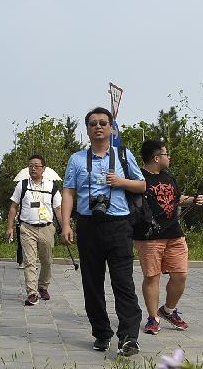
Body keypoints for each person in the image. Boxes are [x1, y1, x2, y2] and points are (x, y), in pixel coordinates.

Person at [60, 107, 146, 356]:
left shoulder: (123, 155)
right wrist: (66, 224)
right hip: (88, 225)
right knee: (92, 284)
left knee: (124, 284)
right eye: (93, 123)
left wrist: (121, 182)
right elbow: (68, 192)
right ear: (87, 129)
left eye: (103, 123)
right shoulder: (77, 159)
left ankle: (129, 337)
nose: (98, 127)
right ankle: (101, 332)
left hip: (119, 225)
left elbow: (141, 185)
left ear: (111, 128)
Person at [135, 139, 203, 335]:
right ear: (156, 158)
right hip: (149, 236)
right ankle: (152, 317)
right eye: (166, 154)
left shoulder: (169, 177)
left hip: (174, 234)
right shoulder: (138, 178)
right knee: (152, 277)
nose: (169, 157)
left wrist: (193, 200)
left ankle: (168, 310)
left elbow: (177, 199)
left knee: (180, 275)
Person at [6, 155, 62, 306]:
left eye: (37, 166)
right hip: (27, 227)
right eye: (31, 165)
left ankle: (43, 286)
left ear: (44, 169)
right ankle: (32, 293)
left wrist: (65, 227)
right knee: (29, 262)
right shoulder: (22, 185)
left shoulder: (51, 186)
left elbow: (58, 209)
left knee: (47, 261)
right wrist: (10, 227)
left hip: (47, 228)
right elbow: (13, 207)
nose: (33, 168)